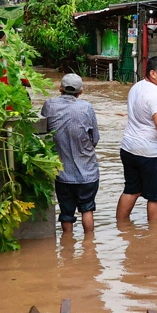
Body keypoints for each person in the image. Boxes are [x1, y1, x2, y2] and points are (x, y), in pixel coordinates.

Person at [117, 57, 157, 224]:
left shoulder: (137, 87)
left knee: (131, 190)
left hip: (129, 148)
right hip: (152, 154)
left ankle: (121, 227)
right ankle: (155, 235)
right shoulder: (156, 95)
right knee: (156, 196)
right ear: (153, 73)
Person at [41, 74, 99, 233]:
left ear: (60, 89)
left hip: (62, 173)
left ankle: (67, 248)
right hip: (88, 173)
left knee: (66, 213)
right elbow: (95, 139)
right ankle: (89, 246)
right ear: (81, 92)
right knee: (87, 209)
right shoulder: (86, 107)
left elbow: (43, 134)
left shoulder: (49, 105)